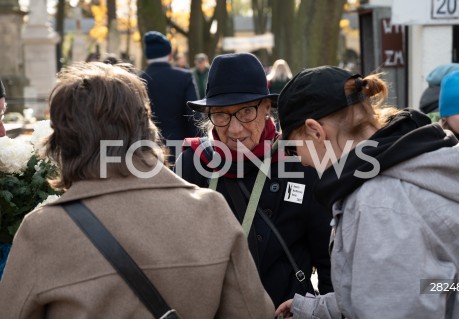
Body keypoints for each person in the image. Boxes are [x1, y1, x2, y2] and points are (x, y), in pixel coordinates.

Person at [0, 62, 274, 319]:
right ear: (146, 127)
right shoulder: (211, 210)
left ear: (64, 142)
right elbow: (253, 313)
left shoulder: (44, 231)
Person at [275, 66, 459, 318]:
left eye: (294, 149)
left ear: (316, 131)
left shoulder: (378, 202)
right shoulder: (401, 169)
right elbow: (426, 288)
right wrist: (316, 309)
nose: (301, 161)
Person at [175, 53, 333, 308]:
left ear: (267, 108)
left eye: (246, 112)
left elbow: (328, 264)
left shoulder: (299, 162)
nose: (235, 128)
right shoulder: (192, 164)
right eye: (221, 115)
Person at [139, 31, 201, 165]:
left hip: (147, 151)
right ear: (170, 55)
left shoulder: (138, 80)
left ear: (146, 56)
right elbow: (194, 116)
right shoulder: (184, 77)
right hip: (181, 150)